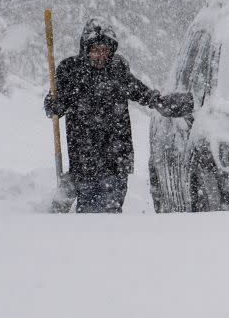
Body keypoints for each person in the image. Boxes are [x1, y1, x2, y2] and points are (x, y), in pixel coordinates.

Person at [43, 18, 192, 213]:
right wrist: (55, 104)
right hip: (84, 157)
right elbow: (53, 105)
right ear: (85, 49)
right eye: (95, 50)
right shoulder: (71, 71)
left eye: (105, 50)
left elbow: (138, 90)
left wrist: (158, 101)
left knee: (111, 211)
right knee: (89, 214)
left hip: (117, 156)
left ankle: (111, 241)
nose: (100, 55)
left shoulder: (117, 69)